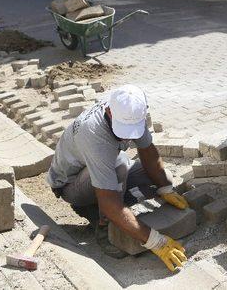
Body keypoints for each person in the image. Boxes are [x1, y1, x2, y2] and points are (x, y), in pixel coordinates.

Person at [46, 84, 188, 272]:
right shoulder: (95, 136)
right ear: (110, 113)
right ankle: (105, 230)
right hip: (70, 185)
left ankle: (102, 210)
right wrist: (156, 242)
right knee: (118, 169)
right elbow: (110, 202)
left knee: (161, 178)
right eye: (124, 130)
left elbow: (148, 153)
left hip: (102, 170)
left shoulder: (131, 110)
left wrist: (165, 188)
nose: (129, 135)